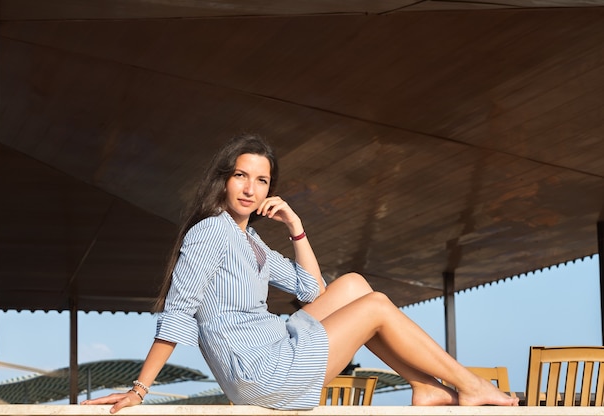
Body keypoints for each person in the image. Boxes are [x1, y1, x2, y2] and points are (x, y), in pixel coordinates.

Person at [81, 133, 519, 413]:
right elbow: (178, 312)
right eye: (241, 176)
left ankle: (424, 386)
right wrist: (140, 388)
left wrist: (295, 227)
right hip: (259, 369)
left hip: (274, 346)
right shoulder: (211, 232)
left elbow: (315, 291)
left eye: (263, 181)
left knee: (354, 286)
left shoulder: (250, 242)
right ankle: (467, 383)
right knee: (376, 307)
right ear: (224, 180)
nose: (251, 189)